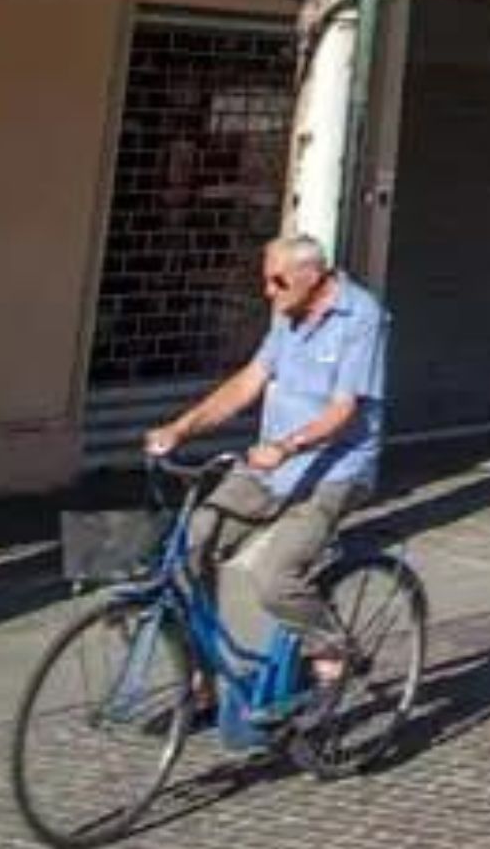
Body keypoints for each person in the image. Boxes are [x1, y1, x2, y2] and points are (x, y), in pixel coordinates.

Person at [145, 234, 390, 702]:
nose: (268, 293)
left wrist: (288, 445)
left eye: (277, 281)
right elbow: (248, 383)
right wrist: (181, 428)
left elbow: (344, 409)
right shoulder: (287, 317)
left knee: (275, 578)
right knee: (190, 546)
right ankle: (203, 685)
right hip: (271, 468)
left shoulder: (362, 317)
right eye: (266, 281)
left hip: (334, 471)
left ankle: (335, 650)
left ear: (311, 276)